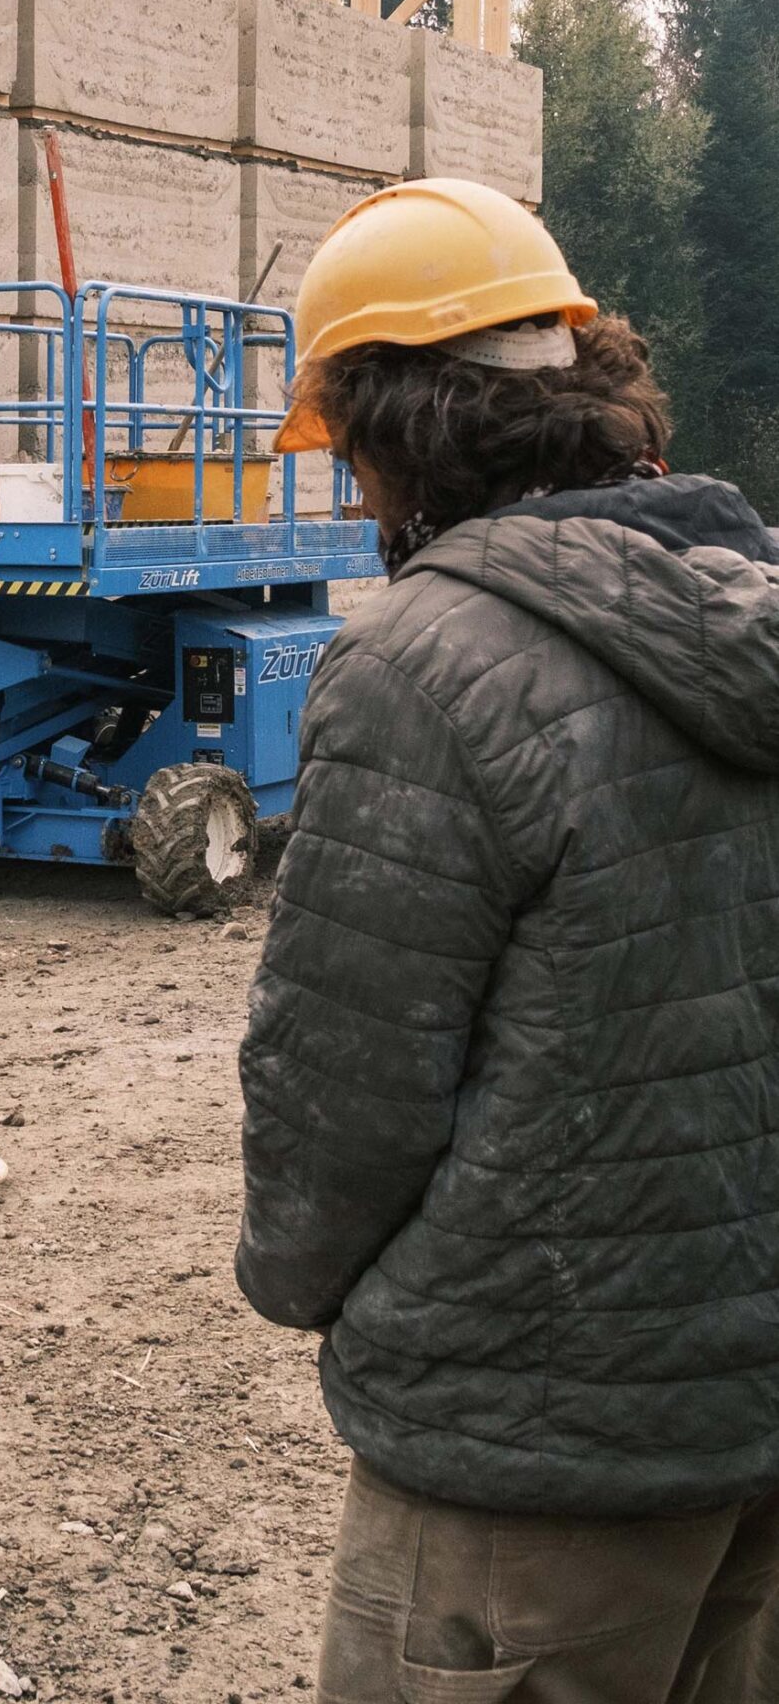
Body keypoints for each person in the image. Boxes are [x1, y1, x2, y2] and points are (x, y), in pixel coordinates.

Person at [235, 176, 779, 1704]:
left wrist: (300, 1279)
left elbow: (342, 1082)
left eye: (346, 451)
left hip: (537, 1447)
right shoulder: (758, 599)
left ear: (400, 432)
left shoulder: (422, 663)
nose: (349, 495)